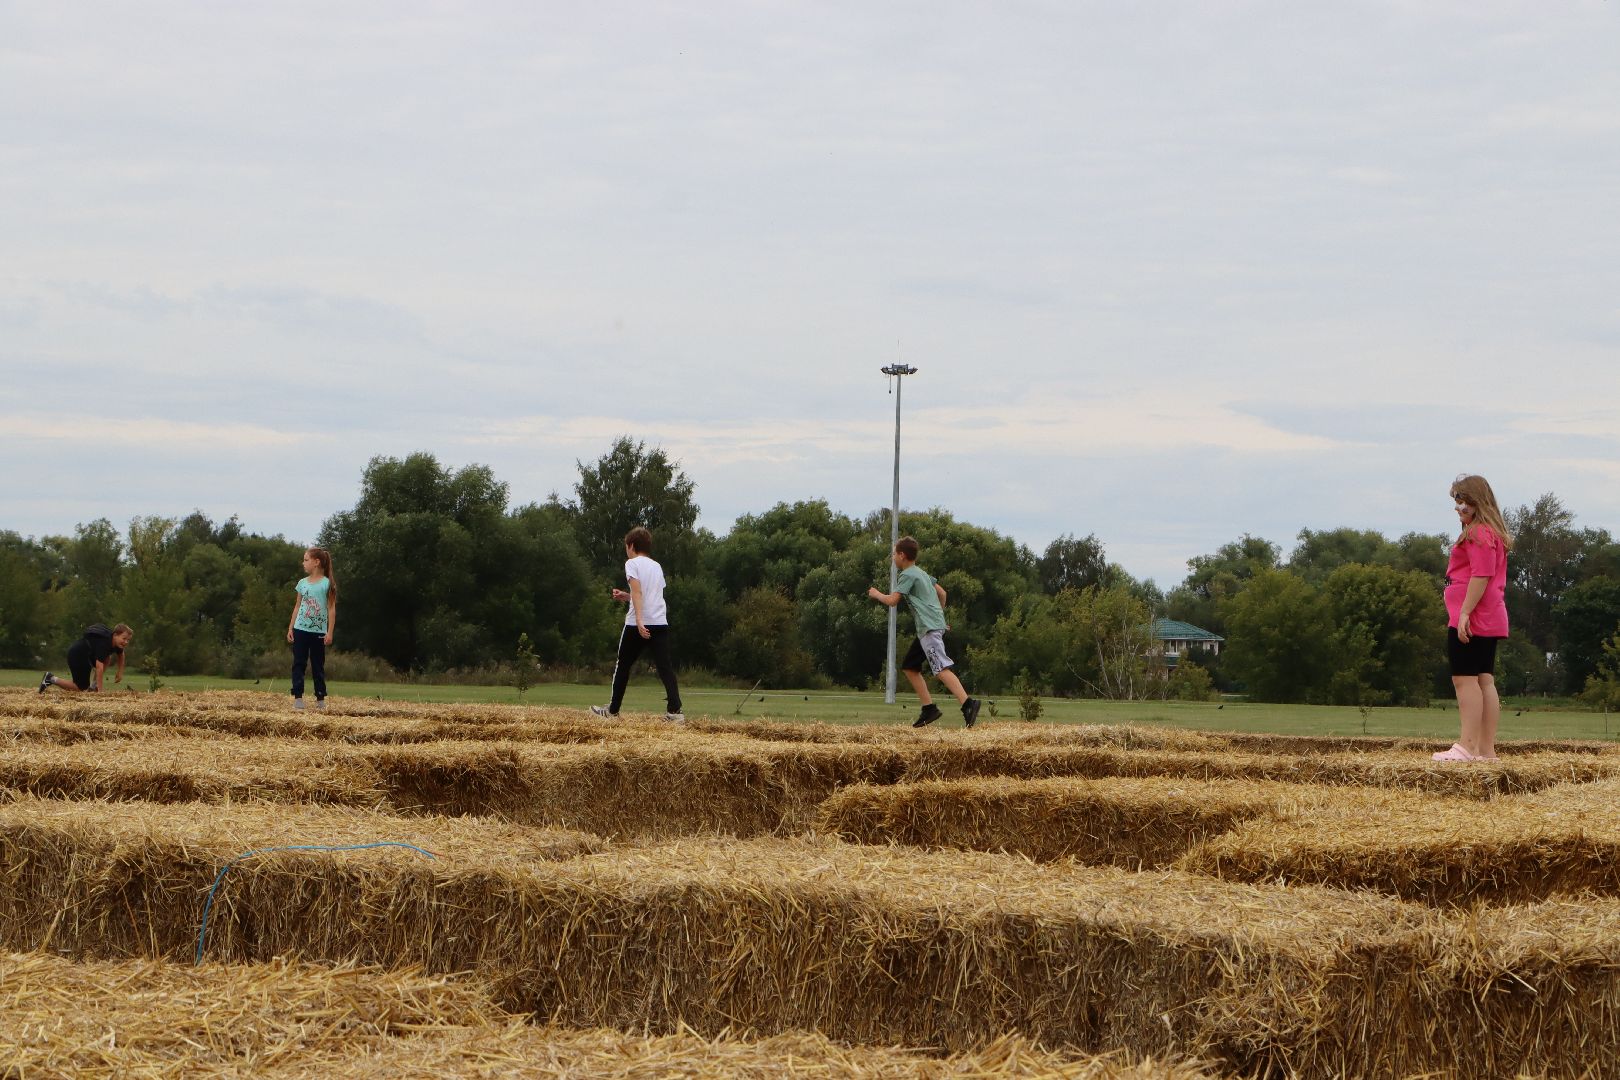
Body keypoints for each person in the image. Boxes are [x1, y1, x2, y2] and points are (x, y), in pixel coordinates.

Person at [1433, 474, 1511, 762]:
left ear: (1477, 502)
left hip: (1472, 618)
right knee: (1483, 680)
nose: (1458, 507)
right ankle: (1485, 752)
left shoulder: (1478, 534)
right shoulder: (1492, 533)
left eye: (1462, 501)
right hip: (1489, 616)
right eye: (1456, 501)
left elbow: (1481, 574)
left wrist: (1464, 611)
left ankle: (1466, 747)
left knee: (1464, 681)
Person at [868, 535, 982, 728]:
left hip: (929, 629)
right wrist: (939, 618)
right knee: (910, 666)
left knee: (940, 669)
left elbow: (893, 601)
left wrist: (877, 594)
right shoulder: (922, 573)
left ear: (902, 555)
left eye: (894, 554)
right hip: (930, 627)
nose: (893, 557)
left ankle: (968, 704)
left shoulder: (908, 575)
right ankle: (929, 709)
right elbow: (942, 593)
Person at [591, 527, 683, 722]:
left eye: (626, 547)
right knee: (665, 667)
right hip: (659, 621)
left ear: (631, 545)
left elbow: (639, 593)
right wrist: (627, 597)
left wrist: (640, 621)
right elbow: (650, 595)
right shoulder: (657, 566)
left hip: (636, 624)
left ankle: (612, 712)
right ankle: (675, 712)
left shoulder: (631, 563)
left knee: (623, 665)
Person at [287, 546, 337, 711]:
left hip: (318, 633)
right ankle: (298, 697)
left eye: (306, 560)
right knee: (299, 663)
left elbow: (331, 609)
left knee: (317, 665)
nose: (303, 563)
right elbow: (297, 607)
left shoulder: (327, 584)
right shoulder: (302, 583)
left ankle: (320, 698)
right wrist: (291, 627)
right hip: (300, 629)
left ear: (316, 562)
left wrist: (329, 632)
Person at [39, 623, 133, 693]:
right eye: (124, 638)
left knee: (107, 658)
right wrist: (100, 692)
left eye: (128, 640)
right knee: (80, 688)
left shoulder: (117, 643)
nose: (126, 642)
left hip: (87, 654)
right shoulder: (104, 643)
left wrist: (120, 672)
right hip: (77, 655)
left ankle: (92, 687)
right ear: (115, 635)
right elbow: (99, 667)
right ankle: (50, 678)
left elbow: (121, 655)